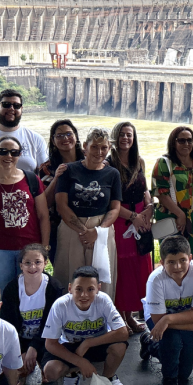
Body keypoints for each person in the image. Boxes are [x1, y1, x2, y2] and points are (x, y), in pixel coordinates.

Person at [0, 136, 50, 292]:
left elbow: (43, 216)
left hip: (30, 250)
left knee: (29, 293)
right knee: (0, 293)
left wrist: (44, 249)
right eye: (3, 152)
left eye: (14, 152)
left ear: (19, 155)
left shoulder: (32, 180)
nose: (9, 156)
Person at [41, 266, 130, 385]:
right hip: (70, 345)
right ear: (70, 288)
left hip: (96, 343)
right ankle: (72, 373)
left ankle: (108, 378)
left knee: (119, 347)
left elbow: (123, 332)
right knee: (51, 371)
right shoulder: (60, 305)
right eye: (79, 289)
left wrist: (88, 343)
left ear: (99, 288)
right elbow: (50, 343)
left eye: (90, 289)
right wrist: (80, 362)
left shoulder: (104, 300)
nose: (84, 295)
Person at [139, 235, 193, 385]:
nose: (178, 267)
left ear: (190, 258)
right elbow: (159, 320)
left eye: (182, 260)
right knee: (172, 341)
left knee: (185, 374)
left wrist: (168, 320)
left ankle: (150, 344)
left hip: (180, 319)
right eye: (171, 262)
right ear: (162, 261)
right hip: (157, 318)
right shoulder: (155, 279)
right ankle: (169, 380)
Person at [54, 128, 122, 299]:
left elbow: (115, 208)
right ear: (85, 146)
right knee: (69, 275)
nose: (99, 152)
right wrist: (83, 231)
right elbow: (61, 205)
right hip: (71, 227)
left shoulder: (113, 174)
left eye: (104, 148)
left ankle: (101, 320)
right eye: (94, 147)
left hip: (102, 228)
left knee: (101, 278)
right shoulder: (68, 170)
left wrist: (98, 231)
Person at [108, 122, 154, 335]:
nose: (125, 138)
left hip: (141, 217)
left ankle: (132, 315)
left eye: (129, 135)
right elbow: (110, 201)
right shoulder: (108, 165)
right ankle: (122, 317)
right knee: (123, 270)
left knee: (141, 263)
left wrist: (149, 209)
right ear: (114, 137)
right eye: (122, 135)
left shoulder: (139, 161)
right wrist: (134, 217)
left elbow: (145, 190)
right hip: (121, 219)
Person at [0, 244, 64, 385]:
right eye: (27, 263)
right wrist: (21, 351)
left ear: (45, 264)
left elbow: (53, 325)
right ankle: (23, 372)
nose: (32, 266)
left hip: (47, 340)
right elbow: (9, 325)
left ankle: (42, 364)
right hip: (21, 340)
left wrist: (34, 346)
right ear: (21, 265)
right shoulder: (12, 289)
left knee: (51, 373)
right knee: (17, 368)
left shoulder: (54, 288)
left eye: (37, 262)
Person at [152, 126, 193, 262]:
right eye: (181, 141)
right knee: (171, 259)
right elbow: (161, 193)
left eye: (190, 140)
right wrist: (180, 214)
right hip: (170, 218)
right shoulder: (164, 163)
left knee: (192, 259)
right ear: (173, 142)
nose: (186, 144)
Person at [38, 119, 85, 262]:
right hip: (58, 228)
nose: (65, 138)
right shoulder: (47, 168)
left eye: (69, 134)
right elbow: (44, 203)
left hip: (89, 224)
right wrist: (57, 178)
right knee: (64, 269)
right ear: (53, 141)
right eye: (59, 136)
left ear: (76, 137)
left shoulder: (90, 160)